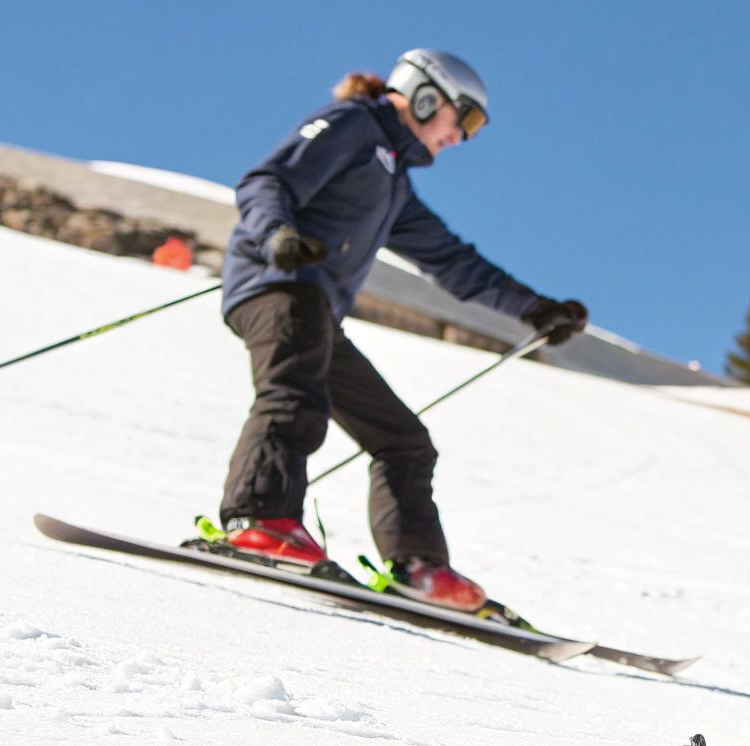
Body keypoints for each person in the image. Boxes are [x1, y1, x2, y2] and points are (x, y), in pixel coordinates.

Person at [215, 48, 588, 611]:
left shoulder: (393, 181)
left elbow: (452, 261)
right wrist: (277, 238)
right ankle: (259, 519)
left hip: (316, 308)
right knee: (293, 395)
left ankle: (418, 567)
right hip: (279, 283)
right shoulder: (352, 126)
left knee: (403, 442)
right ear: (425, 95)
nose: (463, 137)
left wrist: (534, 308)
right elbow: (266, 180)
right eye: (466, 119)